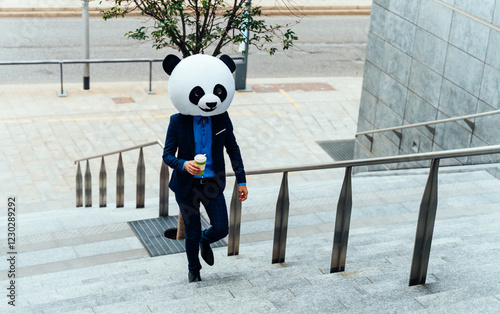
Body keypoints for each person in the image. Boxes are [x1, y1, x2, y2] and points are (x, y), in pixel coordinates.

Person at [161, 54, 248, 283]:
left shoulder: (221, 118)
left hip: (212, 183)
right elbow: (167, 155)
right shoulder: (177, 121)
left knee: (221, 228)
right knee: (191, 231)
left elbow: (233, 149)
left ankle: (205, 241)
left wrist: (242, 180)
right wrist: (183, 164)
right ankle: (194, 271)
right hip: (186, 185)